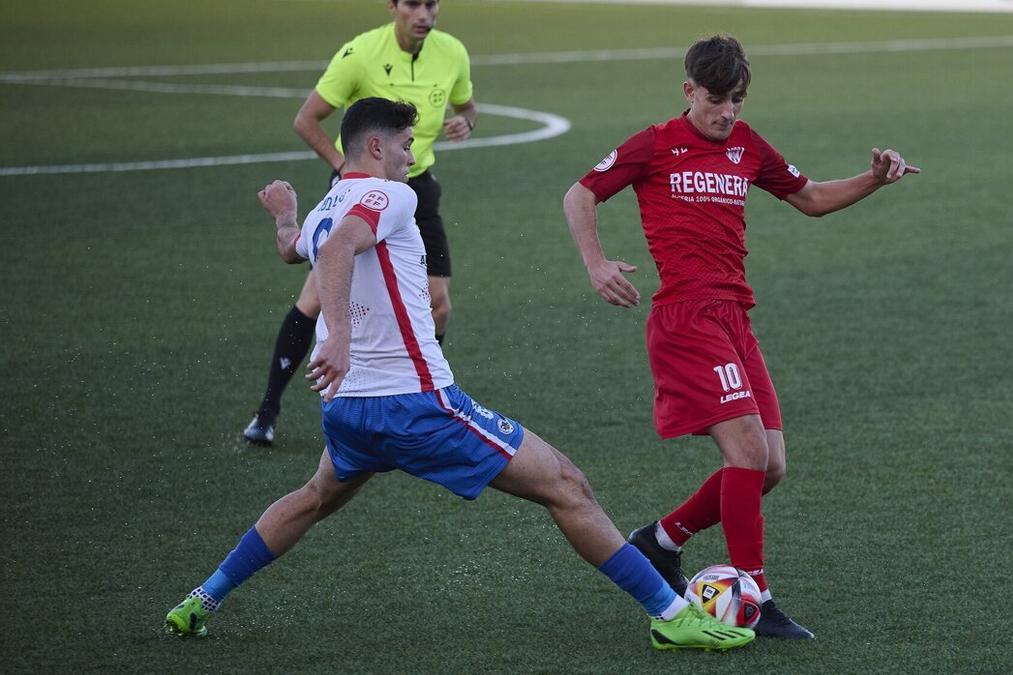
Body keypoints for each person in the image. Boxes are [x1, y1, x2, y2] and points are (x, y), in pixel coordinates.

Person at [165, 98, 754, 652]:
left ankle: (202, 598)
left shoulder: (325, 207)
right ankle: (674, 618)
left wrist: (286, 217)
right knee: (567, 485)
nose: (410, 156)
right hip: (414, 405)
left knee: (313, 498)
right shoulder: (391, 197)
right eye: (403, 145)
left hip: (348, 410)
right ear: (374, 147)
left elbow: (299, 248)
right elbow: (343, 248)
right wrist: (340, 339)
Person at [562, 34, 920, 640]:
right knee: (748, 455)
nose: (728, 112)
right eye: (716, 100)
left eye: (737, 100)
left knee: (770, 465)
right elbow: (580, 193)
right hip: (686, 319)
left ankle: (659, 540)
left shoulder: (747, 145)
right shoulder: (654, 144)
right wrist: (596, 263)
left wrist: (874, 179)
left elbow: (808, 197)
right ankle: (755, 592)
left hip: (734, 318)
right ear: (688, 92)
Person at [244, 0, 475, 445]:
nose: (424, 13)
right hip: (359, 190)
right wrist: (346, 170)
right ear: (393, 7)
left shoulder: (453, 52)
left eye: (432, 4)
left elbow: (469, 108)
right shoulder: (360, 53)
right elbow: (306, 119)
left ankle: (413, 390)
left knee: (439, 303)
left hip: (416, 188)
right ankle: (268, 410)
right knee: (314, 299)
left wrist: (465, 121)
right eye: (413, 4)